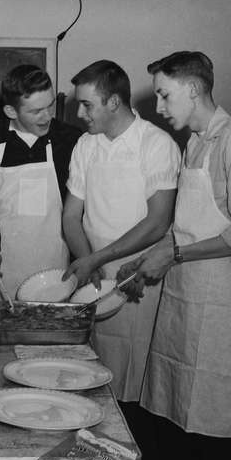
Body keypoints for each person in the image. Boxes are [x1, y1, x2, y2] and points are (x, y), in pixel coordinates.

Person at [118, 51, 231, 460]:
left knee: (217, 431)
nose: (159, 106)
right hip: (184, 301)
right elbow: (187, 225)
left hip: (219, 307)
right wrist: (148, 257)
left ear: (194, 89)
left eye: (165, 95)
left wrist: (175, 254)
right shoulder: (195, 143)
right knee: (178, 421)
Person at [61, 60, 180, 410]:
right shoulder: (86, 145)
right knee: (91, 378)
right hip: (94, 277)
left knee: (136, 382)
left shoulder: (156, 143)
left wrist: (97, 258)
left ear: (113, 102)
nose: (80, 113)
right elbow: (71, 216)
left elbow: (158, 222)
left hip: (140, 276)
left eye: (87, 105)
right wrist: (88, 260)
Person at [0, 64, 81, 300]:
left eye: (50, 105)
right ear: (11, 111)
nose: (48, 116)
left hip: (53, 274)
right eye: (36, 111)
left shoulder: (70, 141)